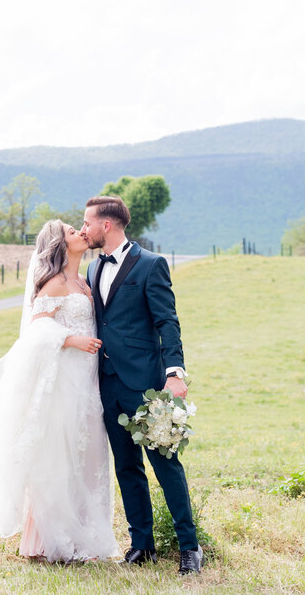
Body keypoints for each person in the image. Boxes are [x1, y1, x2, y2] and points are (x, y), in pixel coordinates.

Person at [0, 220, 119, 563]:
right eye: (72, 232)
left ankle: (88, 536)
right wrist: (72, 339)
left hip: (89, 380)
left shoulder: (83, 281)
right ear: (60, 245)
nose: (82, 233)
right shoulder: (53, 283)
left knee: (89, 455)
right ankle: (53, 538)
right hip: (64, 380)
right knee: (60, 456)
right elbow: (37, 333)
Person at [81, 195, 204, 576]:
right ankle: (142, 545)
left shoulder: (151, 264)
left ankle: (189, 547)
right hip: (108, 383)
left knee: (166, 465)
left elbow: (168, 322)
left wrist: (174, 373)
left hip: (145, 384)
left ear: (107, 225)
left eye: (87, 222)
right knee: (127, 468)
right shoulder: (91, 268)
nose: (83, 229)